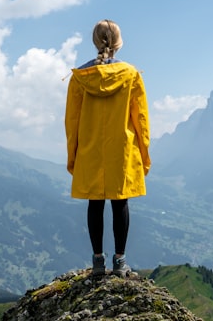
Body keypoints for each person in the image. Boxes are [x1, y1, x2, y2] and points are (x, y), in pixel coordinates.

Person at [65, 19, 151, 277]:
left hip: (90, 148)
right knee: (119, 202)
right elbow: (141, 121)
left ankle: (98, 263)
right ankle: (120, 261)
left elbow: (72, 121)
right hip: (122, 150)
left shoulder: (80, 78)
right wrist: (144, 155)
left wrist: (73, 156)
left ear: (95, 41)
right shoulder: (131, 74)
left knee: (95, 202)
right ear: (118, 43)